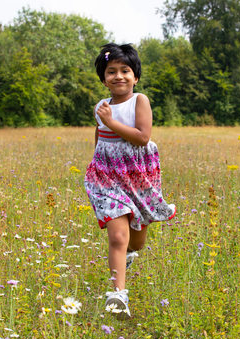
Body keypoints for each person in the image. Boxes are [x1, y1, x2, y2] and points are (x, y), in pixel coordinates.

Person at [84, 43, 176, 320]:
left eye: (125, 71)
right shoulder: (101, 107)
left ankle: (127, 257)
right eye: (111, 72)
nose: (119, 76)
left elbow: (142, 137)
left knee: (135, 242)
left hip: (137, 175)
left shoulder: (140, 100)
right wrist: (96, 167)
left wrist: (111, 123)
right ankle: (117, 296)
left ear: (135, 77)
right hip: (106, 176)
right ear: (103, 79)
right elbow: (99, 139)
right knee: (118, 236)